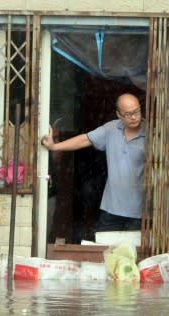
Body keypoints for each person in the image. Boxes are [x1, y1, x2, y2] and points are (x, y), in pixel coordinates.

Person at [40, 93, 145, 232]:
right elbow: (84, 139)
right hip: (111, 208)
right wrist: (54, 147)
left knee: (135, 252)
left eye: (136, 111)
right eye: (128, 114)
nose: (134, 117)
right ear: (118, 114)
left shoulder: (151, 134)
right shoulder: (111, 129)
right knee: (106, 250)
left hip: (139, 211)